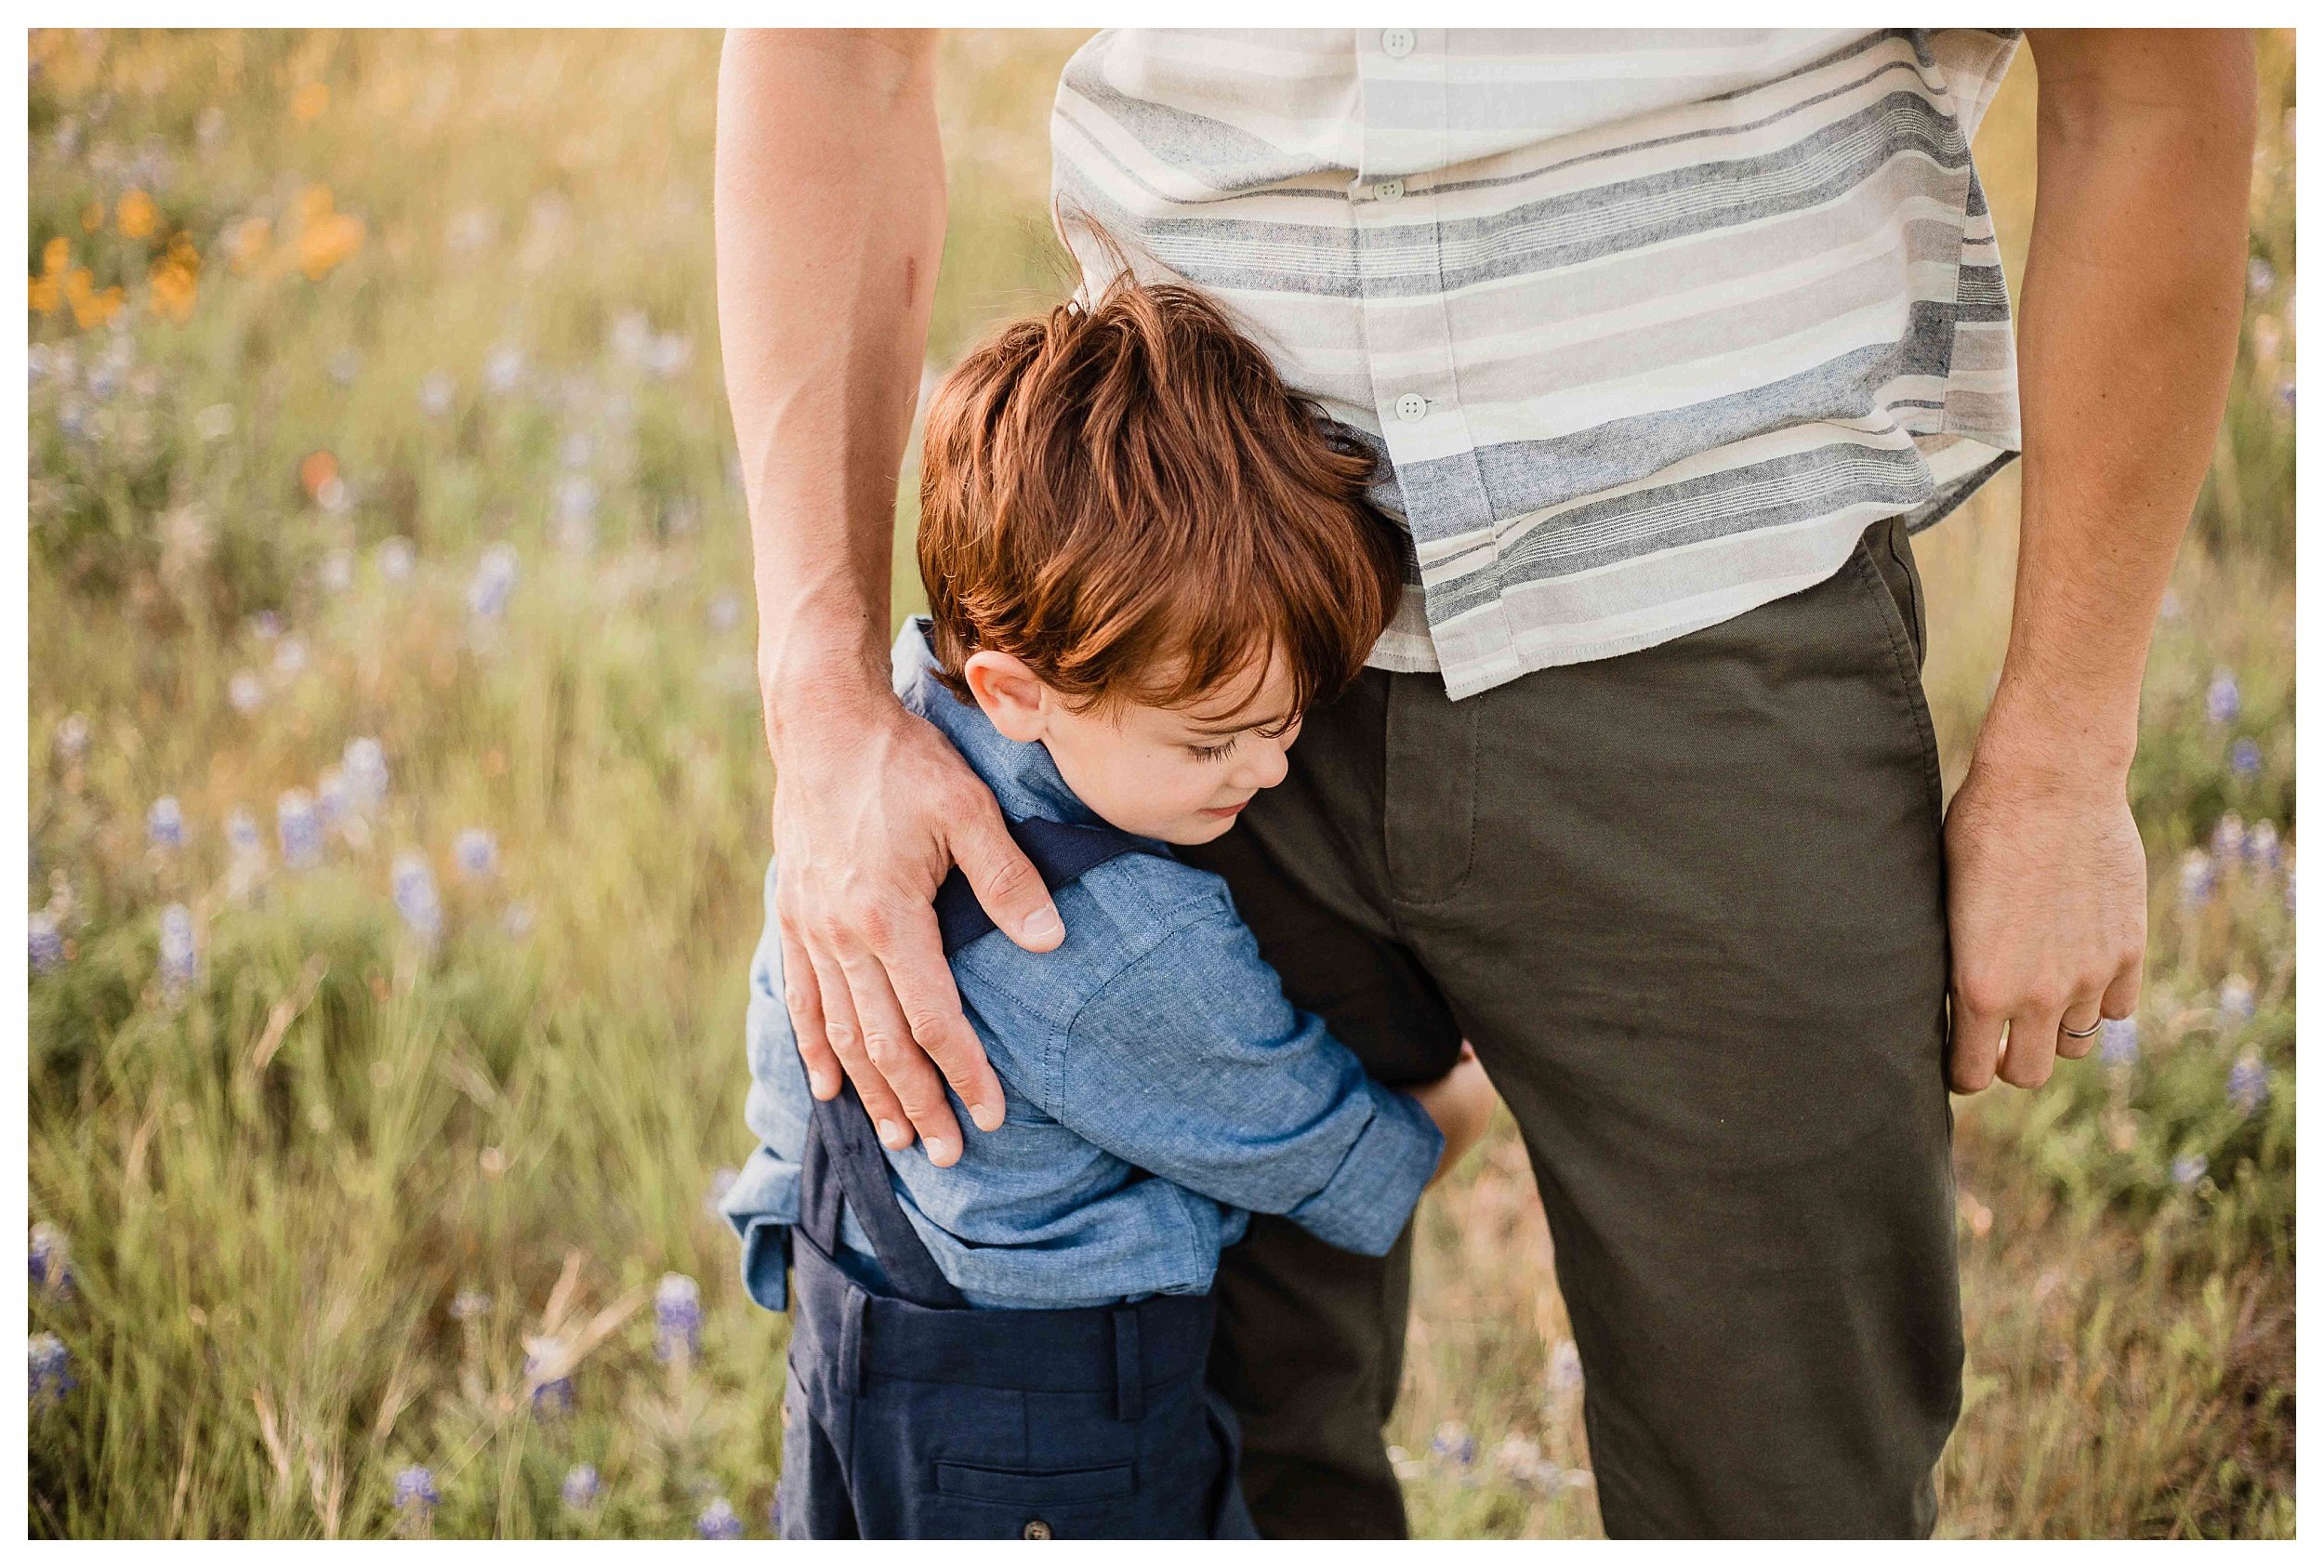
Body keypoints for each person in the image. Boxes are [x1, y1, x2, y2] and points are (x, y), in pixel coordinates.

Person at [714, 27, 2254, 1537]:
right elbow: (834, 50)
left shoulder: (1113, 859)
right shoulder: (1089, 865)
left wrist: (2061, 754)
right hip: (1172, 612)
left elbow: (2157, 83)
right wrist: (825, 707)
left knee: (1785, 1478)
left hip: (1705, 649)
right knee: (1231, 1448)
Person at [719, 269, 1499, 1538]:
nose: (1272, 768)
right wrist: (1463, 1099)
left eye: (1293, 715)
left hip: (844, 1341)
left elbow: (786, 1055)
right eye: (1214, 742)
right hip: (1055, 1434)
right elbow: (1320, 1156)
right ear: (1016, 689)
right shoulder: (1124, 941)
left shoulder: (862, 803)